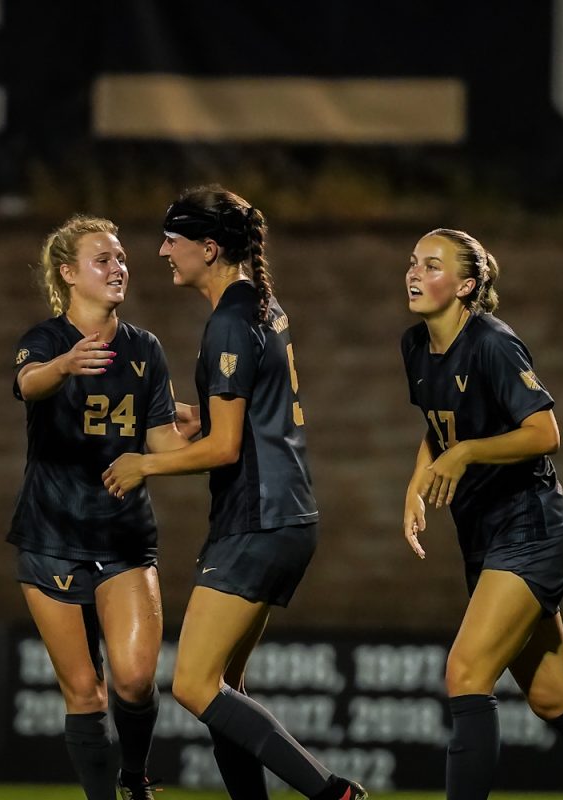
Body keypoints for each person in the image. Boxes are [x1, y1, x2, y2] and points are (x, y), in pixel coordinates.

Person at [102, 186, 367, 800]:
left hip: (259, 517)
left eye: (174, 238)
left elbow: (225, 450)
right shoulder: (261, 307)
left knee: (194, 686)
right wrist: (193, 415)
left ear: (209, 247)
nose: (163, 250)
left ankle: (334, 794)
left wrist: (143, 465)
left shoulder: (227, 321)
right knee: (224, 687)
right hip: (285, 514)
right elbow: (248, 417)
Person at [400, 228, 563, 800]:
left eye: (433, 266)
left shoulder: (493, 343)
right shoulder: (415, 346)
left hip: (532, 531)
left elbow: (545, 432)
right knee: (554, 697)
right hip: (487, 538)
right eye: (414, 262)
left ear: (467, 286)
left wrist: (465, 453)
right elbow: (439, 425)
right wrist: (418, 482)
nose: (415, 273)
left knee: (466, 673)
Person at [10, 215, 187, 800]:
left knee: (135, 680)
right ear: (68, 273)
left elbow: (161, 444)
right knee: (85, 691)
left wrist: (220, 439)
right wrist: (63, 366)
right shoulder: (46, 341)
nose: (119, 268)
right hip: (51, 536)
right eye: (103, 259)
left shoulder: (145, 349)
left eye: (121, 258)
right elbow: (28, 383)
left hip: (124, 537)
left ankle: (134, 777)